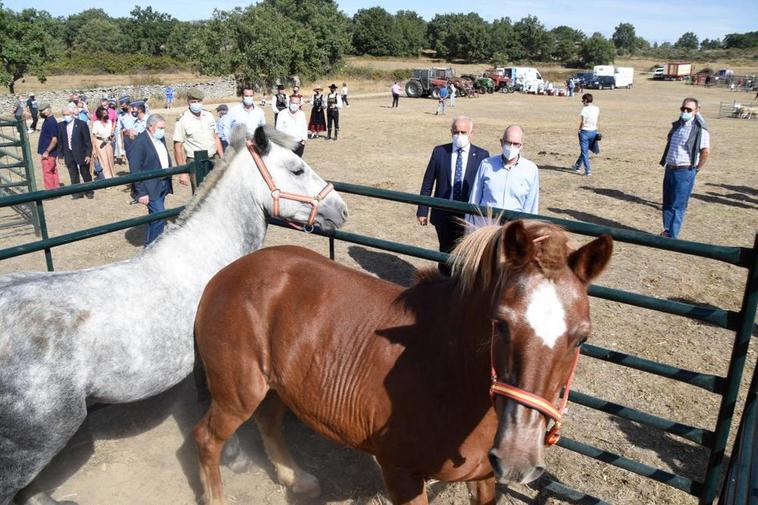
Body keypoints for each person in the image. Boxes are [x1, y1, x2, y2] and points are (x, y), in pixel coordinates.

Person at [416, 116, 490, 275]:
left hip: (468, 216)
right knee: (445, 253)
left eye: (463, 132)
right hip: (443, 213)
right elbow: (428, 182)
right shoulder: (440, 152)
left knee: (466, 254)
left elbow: (485, 188)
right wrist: (423, 210)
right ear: (451, 132)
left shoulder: (483, 156)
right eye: (456, 132)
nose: (459, 135)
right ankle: (443, 286)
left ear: (471, 134)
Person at [467, 125, 539, 227]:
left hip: (513, 230)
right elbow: (474, 199)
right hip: (486, 229)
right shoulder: (486, 165)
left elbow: (531, 207)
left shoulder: (530, 170)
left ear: (521, 145)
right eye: (508, 143)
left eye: (516, 144)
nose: (511, 147)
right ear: (501, 142)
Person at [659, 97, 710, 239]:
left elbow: (705, 152)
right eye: (683, 109)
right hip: (670, 169)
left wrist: (696, 169)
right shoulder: (677, 125)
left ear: (696, 111)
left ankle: (673, 237)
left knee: (678, 205)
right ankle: (667, 230)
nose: (685, 111)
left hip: (685, 170)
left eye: (689, 109)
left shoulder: (700, 130)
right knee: (667, 202)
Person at [130, 114, 174, 247]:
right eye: (160, 128)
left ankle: (150, 244)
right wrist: (141, 192)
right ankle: (152, 247)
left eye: (164, 128)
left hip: (162, 183)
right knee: (160, 216)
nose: (163, 131)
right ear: (150, 127)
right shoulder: (140, 142)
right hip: (150, 186)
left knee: (154, 217)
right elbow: (135, 168)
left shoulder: (159, 138)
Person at [173, 88, 223, 186]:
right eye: (193, 102)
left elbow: (216, 137)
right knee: (199, 192)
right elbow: (177, 147)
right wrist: (182, 172)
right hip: (195, 162)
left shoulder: (209, 116)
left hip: (212, 159)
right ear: (188, 102)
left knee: (216, 190)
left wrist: (222, 158)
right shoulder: (183, 120)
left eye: (198, 101)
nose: (196, 104)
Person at [57, 105, 94, 199]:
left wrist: (88, 154)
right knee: (73, 173)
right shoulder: (61, 126)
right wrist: (60, 156)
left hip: (81, 152)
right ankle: (77, 192)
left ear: (72, 114)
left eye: (67, 114)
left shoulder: (81, 124)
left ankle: (89, 191)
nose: (66, 116)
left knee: (85, 172)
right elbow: (60, 142)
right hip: (68, 153)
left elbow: (87, 141)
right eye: (64, 114)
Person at [572, 93, 599, 176]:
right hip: (594, 131)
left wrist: (579, 130)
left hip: (585, 132)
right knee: (585, 151)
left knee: (584, 152)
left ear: (586, 100)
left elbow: (583, 122)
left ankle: (588, 170)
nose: (582, 102)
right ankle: (577, 165)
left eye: (583, 100)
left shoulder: (585, 109)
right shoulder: (597, 108)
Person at [37, 103, 61, 190]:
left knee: (47, 172)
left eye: (43, 110)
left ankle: (50, 191)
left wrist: (47, 151)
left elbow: (54, 139)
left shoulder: (51, 122)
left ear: (49, 109)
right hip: (50, 152)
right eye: (40, 111)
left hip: (48, 152)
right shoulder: (48, 120)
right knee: (53, 170)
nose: (41, 112)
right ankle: (56, 188)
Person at [91, 106, 115, 179]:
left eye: (106, 113)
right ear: (100, 115)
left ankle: (112, 176)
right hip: (100, 143)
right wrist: (94, 149)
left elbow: (111, 133)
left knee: (110, 160)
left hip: (108, 142)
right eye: (104, 113)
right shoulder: (96, 123)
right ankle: (107, 179)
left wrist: (112, 137)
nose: (106, 114)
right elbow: (94, 137)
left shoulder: (109, 122)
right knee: (104, 161)